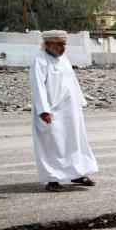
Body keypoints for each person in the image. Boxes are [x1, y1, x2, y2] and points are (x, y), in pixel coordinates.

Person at [30, 30, 98, 192]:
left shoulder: (63, 60)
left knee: (74, 143)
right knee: (53, 145)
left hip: (71, 110)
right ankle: (52, 180)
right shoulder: (39, 61)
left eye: (64, 44)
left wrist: (80, 102)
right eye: (59, 44)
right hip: (51, 112)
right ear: (48, 44)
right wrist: (44, 110)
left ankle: (77, 174)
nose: (62, 48)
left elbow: (72, 82)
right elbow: (38, 87)